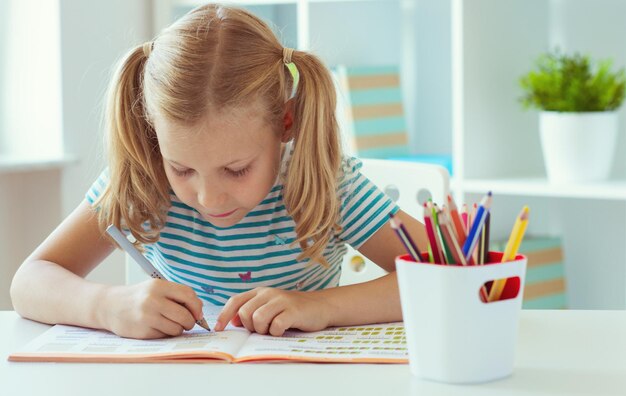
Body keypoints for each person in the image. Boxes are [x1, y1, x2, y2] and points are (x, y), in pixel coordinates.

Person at [10, 3, 427, 339]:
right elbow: (29, 282)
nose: (208, 198)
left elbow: (442, 274)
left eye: (236, 169)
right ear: (156, 139)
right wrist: (107, 306)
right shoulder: (143, 180)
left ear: (285, 123)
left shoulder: (323, 180)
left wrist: (321, 307)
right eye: (182, 169)